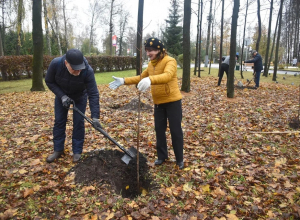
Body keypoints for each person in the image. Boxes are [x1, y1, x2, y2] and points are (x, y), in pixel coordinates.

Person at [109, 37, 184, 169]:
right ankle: (162, 156)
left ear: (160, 50)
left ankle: (179, 159)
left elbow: (167, 75)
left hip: (173, 102)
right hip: (159, 103)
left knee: (175, 131)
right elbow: (140, 78)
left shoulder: (170, 61)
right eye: (147, 51)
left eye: (152, 51)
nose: (149, 53)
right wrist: (124, 80)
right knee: (159, 130)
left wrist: (150, 79)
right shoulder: (150, 65)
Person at [45, 49, 101, 163]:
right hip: (62, 95)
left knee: (79, 122)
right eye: (75, 69)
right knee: (59, 121)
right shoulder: (56, 64)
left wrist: (95, 116)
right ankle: (58, 150)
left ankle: (77, 152)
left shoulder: (87, 71)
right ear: (66, 63)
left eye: (80, 68)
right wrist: (62, 96)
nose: (78, 72)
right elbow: (49, 81)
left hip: (80, 96)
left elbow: (93, 93)